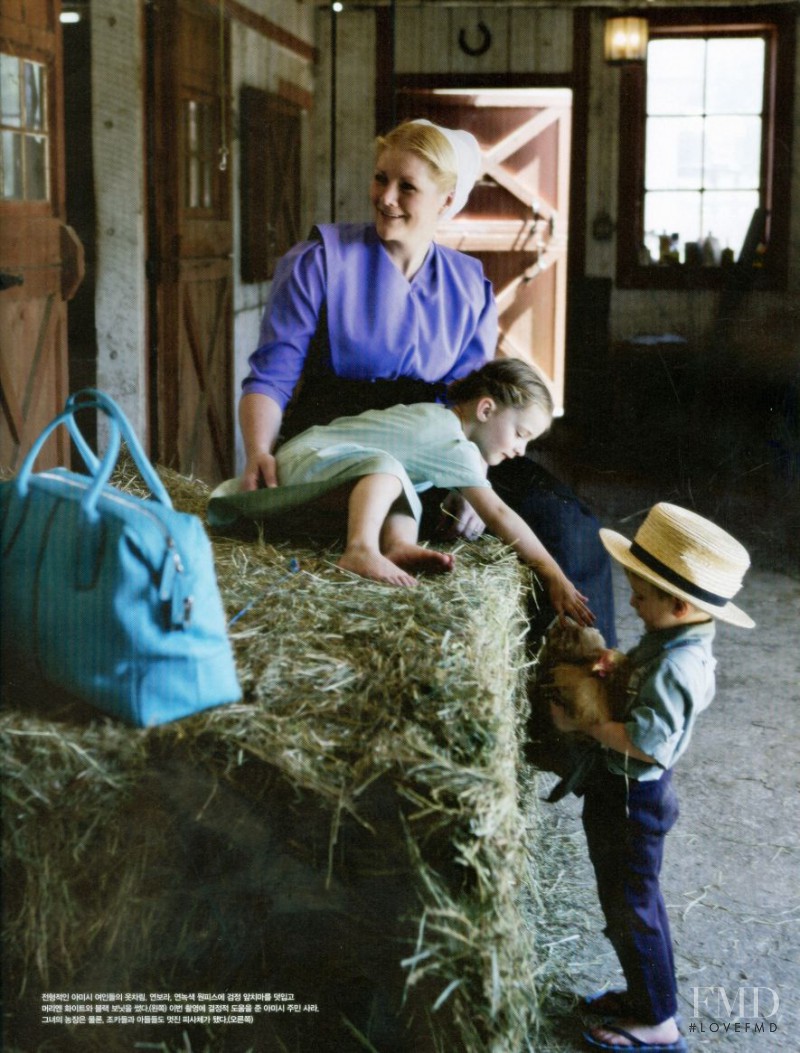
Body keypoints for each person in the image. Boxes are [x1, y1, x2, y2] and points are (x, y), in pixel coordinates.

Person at [237, 117, 617, 641]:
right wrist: (259, 448)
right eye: (380, 179)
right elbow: (272, 374)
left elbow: (474, 402)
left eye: (407, 186)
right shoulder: (319, 260)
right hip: (343, 433)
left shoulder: (469, 284)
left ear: (445, 200)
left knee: (567, 523)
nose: (386, 197)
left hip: (440, 436)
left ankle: (582, 685)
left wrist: (470, 478)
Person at [548, 503, 754, 1052]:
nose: (633, 603)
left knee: (633, 911)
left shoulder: (678, 666)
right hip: (620, 794)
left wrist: (588, 723)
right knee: (623, 907)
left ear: (680, 604)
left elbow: (646, 743)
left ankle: (659, 1021)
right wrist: (616, 665)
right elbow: (643, 676)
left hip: (632, 798)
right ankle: (644, 998)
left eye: (641, 595)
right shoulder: (669, 642)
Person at [211, 359, 594, 623]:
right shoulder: (449, 438)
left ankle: (397, 546)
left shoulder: (447, 428)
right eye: (521, 434)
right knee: (389, 471)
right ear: (486, 410)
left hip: (325, 467)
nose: (520, 451)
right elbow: (498, 514)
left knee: (403, 483)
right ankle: (360, 549)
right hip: (304, 462)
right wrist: (552, 574)